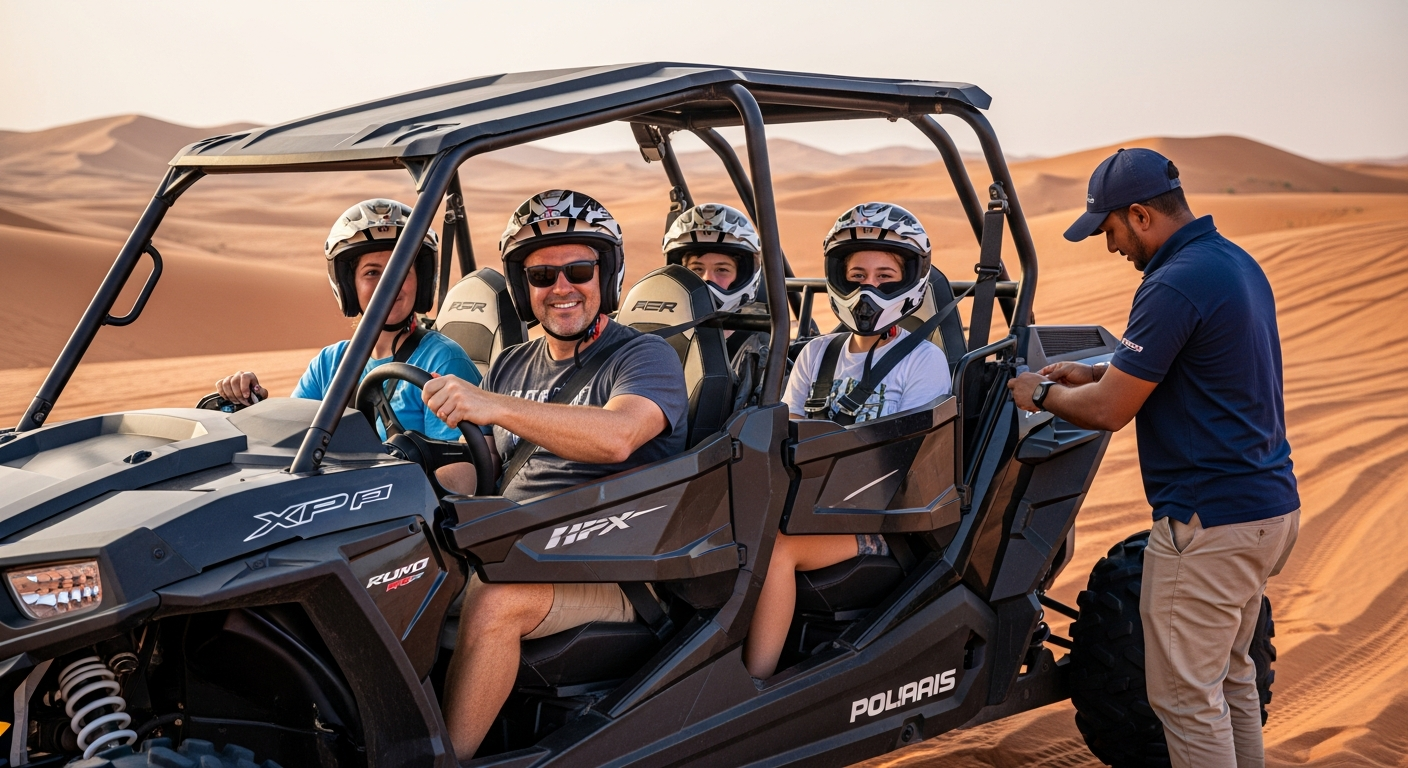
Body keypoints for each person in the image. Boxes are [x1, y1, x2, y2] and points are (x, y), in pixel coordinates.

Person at [1008, 148, 1299, 768]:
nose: (1110, 246)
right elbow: (1186, 364)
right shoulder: (1230, 262)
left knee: (1184, 698)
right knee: (1229, 677)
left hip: (1208, 523)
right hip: (1265, 512)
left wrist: (1040, 393)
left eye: (1108, 230)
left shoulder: (1171, 281)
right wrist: (1092, 370)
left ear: (1139, 215)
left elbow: (1111, 411)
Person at [421, 190, 688, 761]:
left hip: (613, 564)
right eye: (542, 274)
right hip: (519, 547)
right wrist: (417, 482)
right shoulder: (514, 361)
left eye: (579, 270)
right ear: (523, 288)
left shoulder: (643, 357)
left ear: (606, 275)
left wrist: (494, 406)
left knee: (496, 600)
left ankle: (449, 758)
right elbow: (484, 466)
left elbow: (618, 436)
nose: (562, 287)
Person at [742, 202, 952, 680]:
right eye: (856, 274)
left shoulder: (923, 361)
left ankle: (755, 681)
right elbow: (784, 434)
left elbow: (905, 464)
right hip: (806, 503)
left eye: (885, 276)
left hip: (879, 523)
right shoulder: (818, 353)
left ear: (910, 281)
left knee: (776, 549)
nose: (868, 288)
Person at [213, 198, 481, 490]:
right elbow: (292, 445)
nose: (389, 283)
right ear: (349, 285)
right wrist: (256, 407)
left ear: (421, 280)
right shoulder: (329, 363)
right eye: (372, 272)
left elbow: (461, 476)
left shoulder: (442, 360)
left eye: (401, 269)